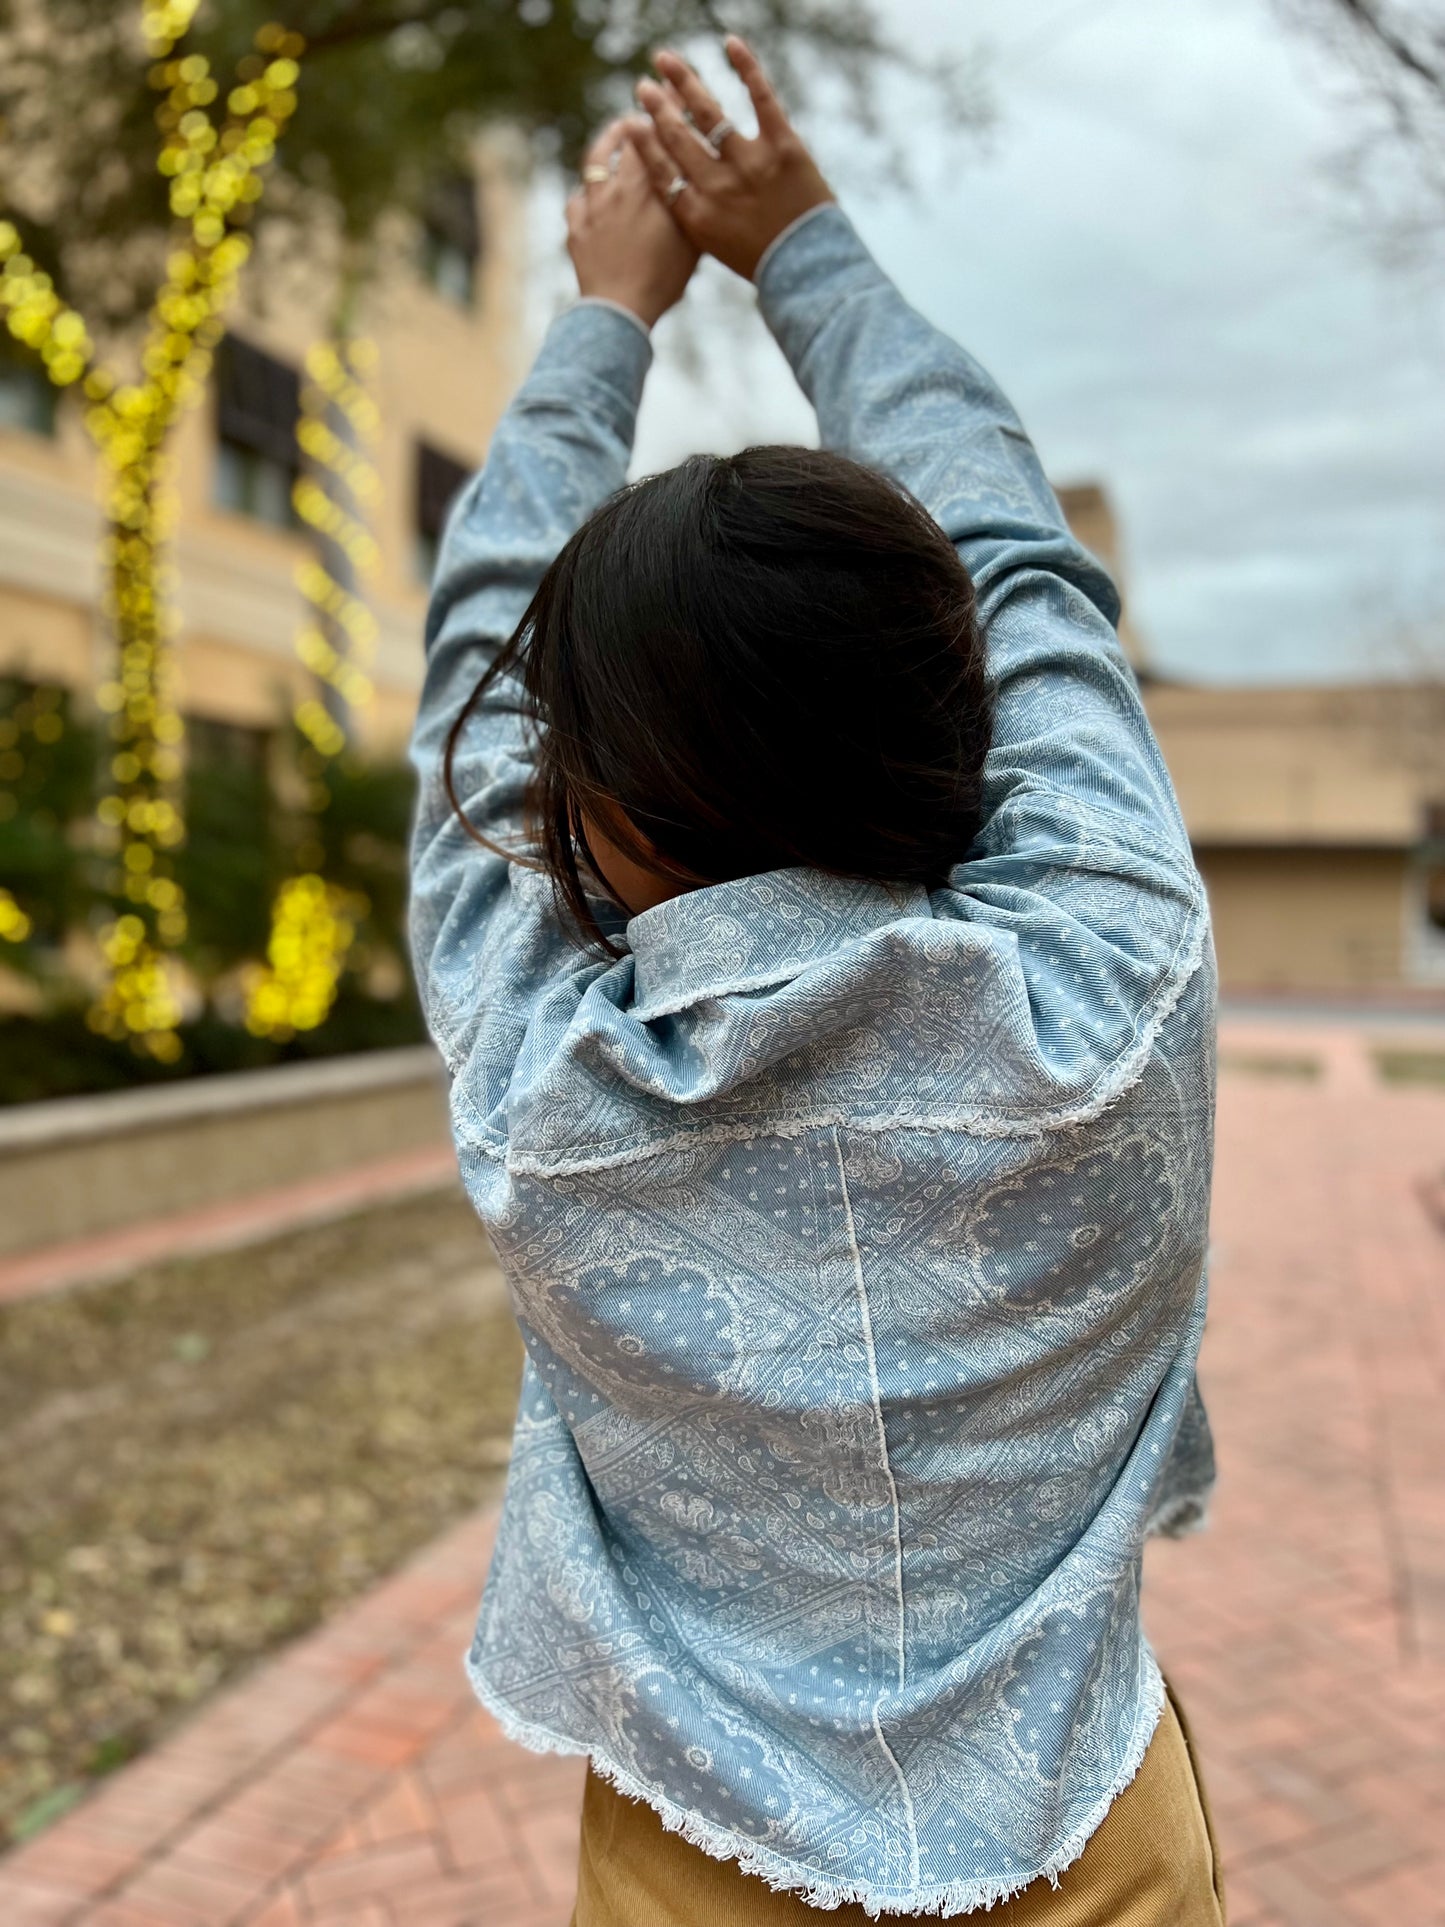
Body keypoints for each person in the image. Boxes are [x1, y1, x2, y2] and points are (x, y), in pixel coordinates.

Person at [409, 36, 1223, 1926]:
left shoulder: (545, 1089)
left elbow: (467, 672)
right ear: (970, 738)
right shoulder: (1118, 980)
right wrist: (806, 249)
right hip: (1097, 1844)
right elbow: (1018, 556)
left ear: (580, 815)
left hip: (698, 1869)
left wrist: (605, 312)